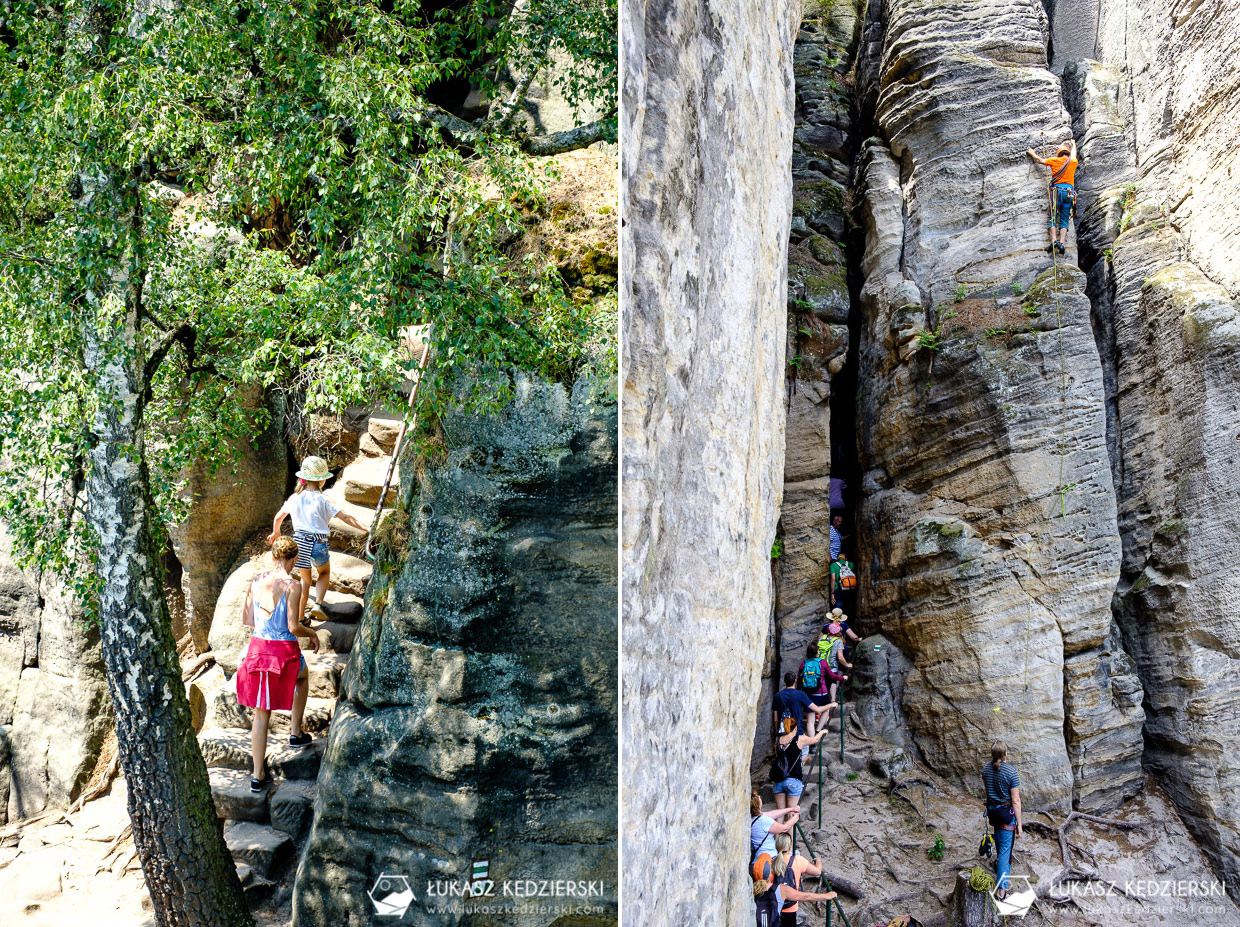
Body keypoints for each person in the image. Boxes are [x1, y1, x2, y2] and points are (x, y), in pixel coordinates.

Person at [235, 537, 321, 792]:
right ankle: (295, 732)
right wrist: (312, 633)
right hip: (283, 651)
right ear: (293, 559)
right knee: (303, 678)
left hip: (258, 649)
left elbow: (248, 619)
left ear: (274, 557)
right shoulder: (293, 585)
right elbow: (294, 627)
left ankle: (257, 776)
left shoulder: (257, 579)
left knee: (261, 713)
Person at [268, 456, 367, 623]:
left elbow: (279, 517)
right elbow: (345, 518)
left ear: (304, 478)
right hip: (318, 543)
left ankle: (300, 618)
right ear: (322, 480)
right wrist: (367, 528)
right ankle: (318, 605)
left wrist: (275, 533)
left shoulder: (295, 498)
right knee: (324, 572)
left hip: (299, 542)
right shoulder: (323, 500)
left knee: (305, 580)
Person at [981, 740, 1023, 898]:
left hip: (993, 812)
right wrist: (1019, 825)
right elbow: (1016, 801)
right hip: (1006, 815)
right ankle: (1002, 891)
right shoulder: (1011, 772)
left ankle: (999, 866)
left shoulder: (986, 770)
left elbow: (987, 792)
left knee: (999, 840)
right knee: (1005, 851)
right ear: (1006, 754)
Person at [1026, 139, 1078, 256]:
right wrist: (1073, 143)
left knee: (1053, 217)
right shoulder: (1073, 161)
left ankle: (1054, 241)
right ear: (1068, 154)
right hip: (1069, 193)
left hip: (1057, 192)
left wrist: (1031, 152)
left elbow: (1039, 160)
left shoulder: (1055, 160)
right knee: (1064, 219)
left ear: (1059, 153)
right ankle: (1062, 243)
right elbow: (1074, 153)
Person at [773, 832, 834, 927]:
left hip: (774, 906)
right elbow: (817, 871)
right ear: (789, 847)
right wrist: (818, 861)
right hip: (790, 907)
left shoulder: (772, 861)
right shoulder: (797, 860)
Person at [771, 717, 832, 811]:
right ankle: (790, 826)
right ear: (795, 728)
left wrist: (803, 760)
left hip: (778, 780)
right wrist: (822, 732)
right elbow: (815, 740)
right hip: (793, 779)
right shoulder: (799, 739)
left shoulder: (778, 740)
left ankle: (780, 825)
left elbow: (783, 758)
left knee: (780, 812)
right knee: (792, 813)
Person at [773, 671, 832, 748]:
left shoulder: (777, 696)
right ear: (795, 681)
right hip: (797, 734)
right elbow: (817, 709)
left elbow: (776, 719)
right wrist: (831, 704)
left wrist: (777, 733)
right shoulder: (800, 694)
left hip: (782, 735)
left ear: (784, 681)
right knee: (802, 753)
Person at [798, 642, 838, 743]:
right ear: (817, 652)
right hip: (821, 692)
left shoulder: (804, 663)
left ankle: (812, 743)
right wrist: (842, 678)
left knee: (810, 720)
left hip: (808, 694)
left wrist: (800, 693)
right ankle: (818, 731)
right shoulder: (822, 662)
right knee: (827, 708)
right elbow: (831, 675)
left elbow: (799, 679)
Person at [751, 791, 800, 860]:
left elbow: (772, 814)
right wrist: (795, 818)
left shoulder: (752, 817)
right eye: (759, 798)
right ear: (758, 804)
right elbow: (784, 828)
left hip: (757, 857)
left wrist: (791, 809)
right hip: (769, 858)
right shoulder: (763, 821)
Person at [818, 622, 852, 702]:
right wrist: (847, 665)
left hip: (820, 666)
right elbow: (840, 657)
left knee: (822, 684)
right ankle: (832, 700)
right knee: (833, 682)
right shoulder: (838, 641)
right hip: (831, 667)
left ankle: (821, 703)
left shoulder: (822, 637)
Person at [828, 550, 858, 615]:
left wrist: (832, 593)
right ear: (846, 558)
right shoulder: (851, 564)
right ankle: (846, 623)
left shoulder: (833, 565)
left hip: (838, 589)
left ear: (837, 558)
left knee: (838, 608)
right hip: (850, 589)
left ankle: (837, 623)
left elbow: (833, 578)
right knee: (848, 608)